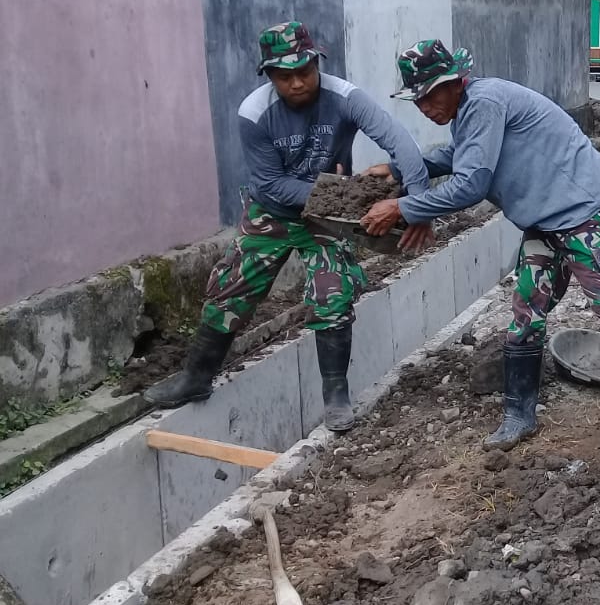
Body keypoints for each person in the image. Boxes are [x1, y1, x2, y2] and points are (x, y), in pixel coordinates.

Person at [360, 39, 600, 460]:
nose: (425, 107)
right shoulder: (468, 111)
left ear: (455, 81)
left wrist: (402, 206)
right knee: (526, 311)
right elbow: (460, 155)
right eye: (417, 100)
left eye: (430, 95)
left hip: (583, 216)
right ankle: (519, 415)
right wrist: (400, 169)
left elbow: (470, 184)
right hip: (545, 223)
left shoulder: (484, 101)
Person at [143, 22, 433, 432]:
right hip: (275, 212)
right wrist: (340, 192)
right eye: (285, 76)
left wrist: (416, 204)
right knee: (230, 288)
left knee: (332, 295)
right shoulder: (254, 113)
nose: (298, 83)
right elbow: (271, 183)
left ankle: (336, 396)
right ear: (269, 75)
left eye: (305, 71)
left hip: (327, 217)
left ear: (317, 62)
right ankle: (196, 378)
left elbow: (400, 143)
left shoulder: (345, 98)